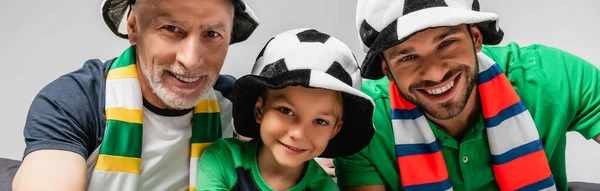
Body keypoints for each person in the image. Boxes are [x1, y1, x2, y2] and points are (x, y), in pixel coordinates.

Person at [335, 0, 600, 190]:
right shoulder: (361, 123)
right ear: (387, 70)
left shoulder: (548, 75)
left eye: (446, 43)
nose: (435, 73)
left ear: (475, 38)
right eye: (408, 56)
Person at [12, 0, 259, 190]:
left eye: (212, 34)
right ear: (133, 28)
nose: (191, 61)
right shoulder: (76, 100)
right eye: (171, 28)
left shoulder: (239, 105)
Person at [196, 28, 375, 191]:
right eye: (286, 111)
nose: (298, 133)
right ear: (260, 109)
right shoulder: (223, 160)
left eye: (320, 121)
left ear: (335, 129)